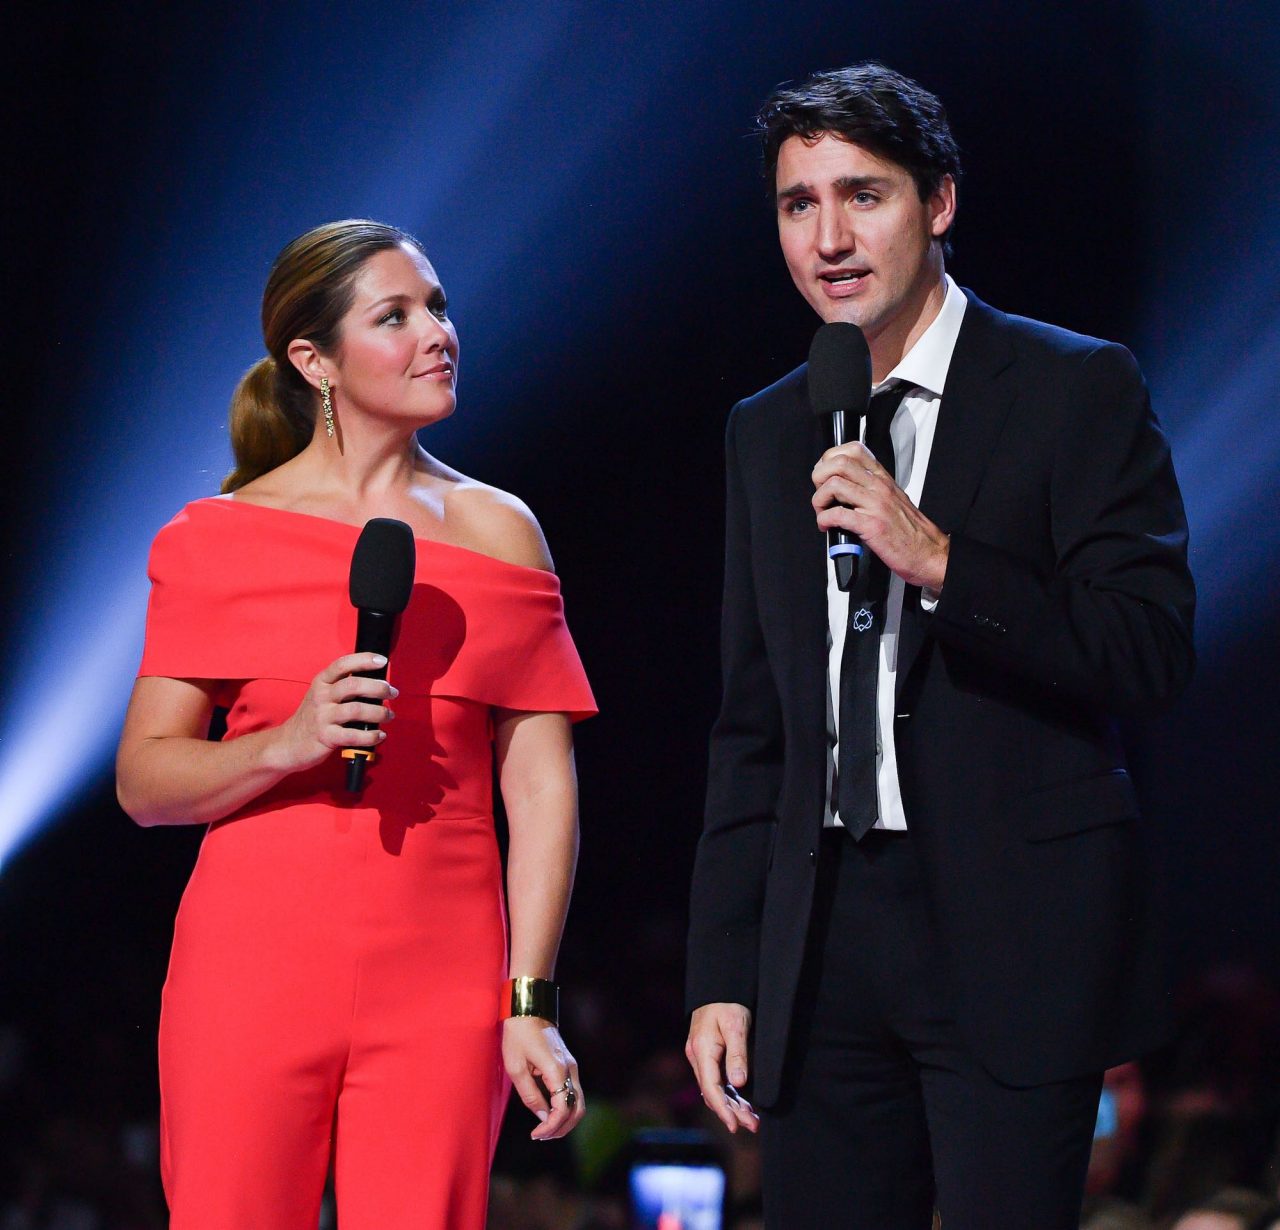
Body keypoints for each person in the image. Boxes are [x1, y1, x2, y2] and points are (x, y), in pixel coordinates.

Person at [683, 63, 1195, 1228]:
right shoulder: (766, 429)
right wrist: (721, 972)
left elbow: (1148, 650)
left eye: (861, 196)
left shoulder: (1073, 386)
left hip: (1010, 933)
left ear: (939, 203)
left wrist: (943, 563)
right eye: (795, 204)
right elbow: (752, 725)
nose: (827, 237)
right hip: (821, 947)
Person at [115, 219, 596, 1229]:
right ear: (313, 359)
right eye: (395, 316)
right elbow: (146, 782)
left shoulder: (500, 530)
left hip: (445, 983)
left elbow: (540, 787)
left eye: (438, 308)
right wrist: (283, 743)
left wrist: (529, 1001)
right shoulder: (216, 540)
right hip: (248, 971)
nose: (437, 334)